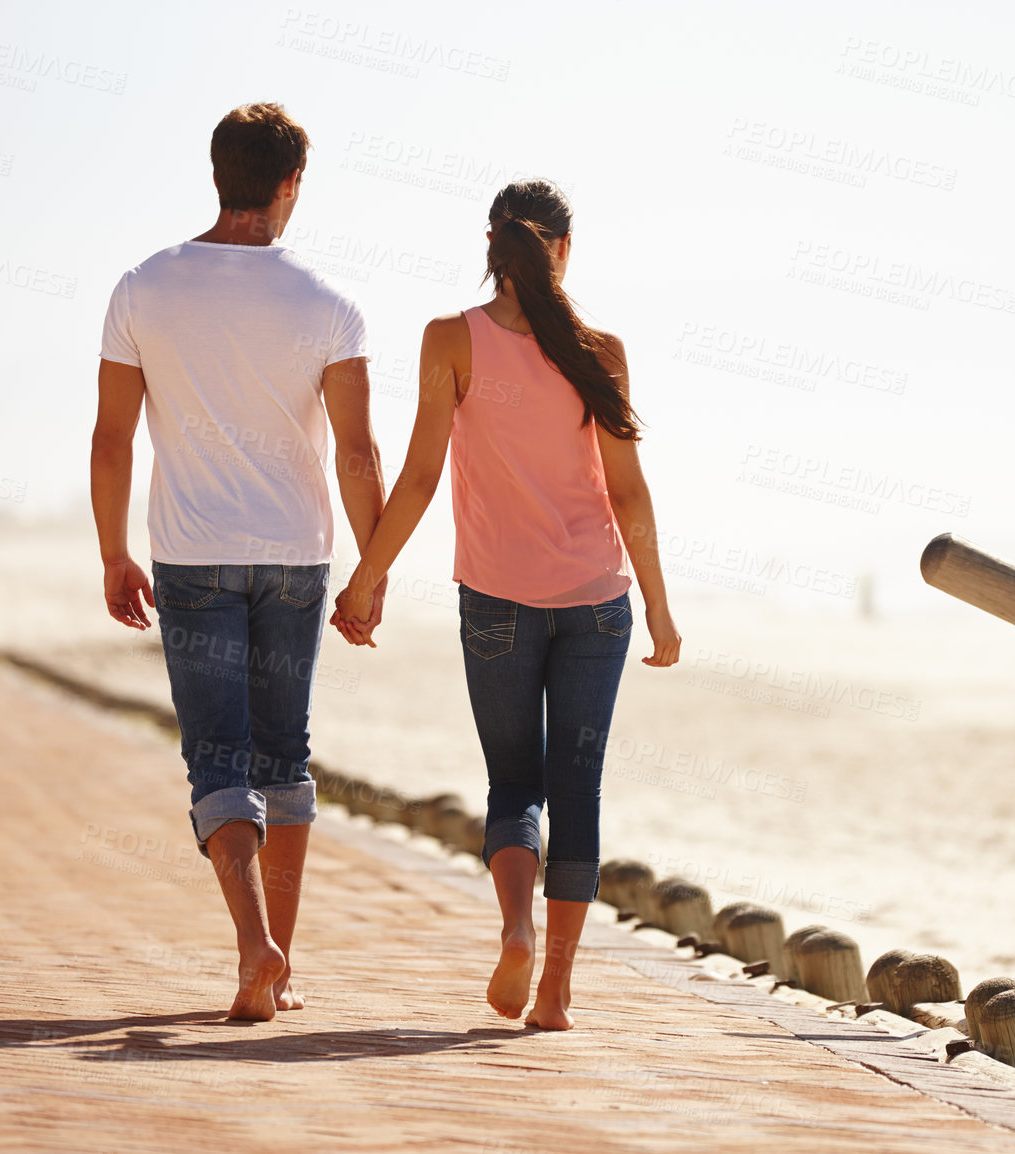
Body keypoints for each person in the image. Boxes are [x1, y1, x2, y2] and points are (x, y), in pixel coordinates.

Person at [330, 178, 680, 1030]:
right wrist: (663, 614)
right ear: (564, 248)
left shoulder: (451, 339)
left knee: (514, 783)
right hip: (598, 603)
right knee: (579, 789)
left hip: (496, 602)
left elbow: (417, 478)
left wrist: (365, 579)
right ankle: (555, 991)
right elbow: (628, 495)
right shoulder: (602, 349)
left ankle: (516, 926)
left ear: (493, 247)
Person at [89, 102, 386, 1021]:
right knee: (283, 755)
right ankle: (279, 966)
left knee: (217, 755)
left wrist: (112, 555)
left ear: (218, 174)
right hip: (297, 558)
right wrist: (369, 575)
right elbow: (358, 454)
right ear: (290, 183)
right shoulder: (330, 303)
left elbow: (111, 441)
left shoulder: (145, 286)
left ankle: (255, 951)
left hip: (191, 556)